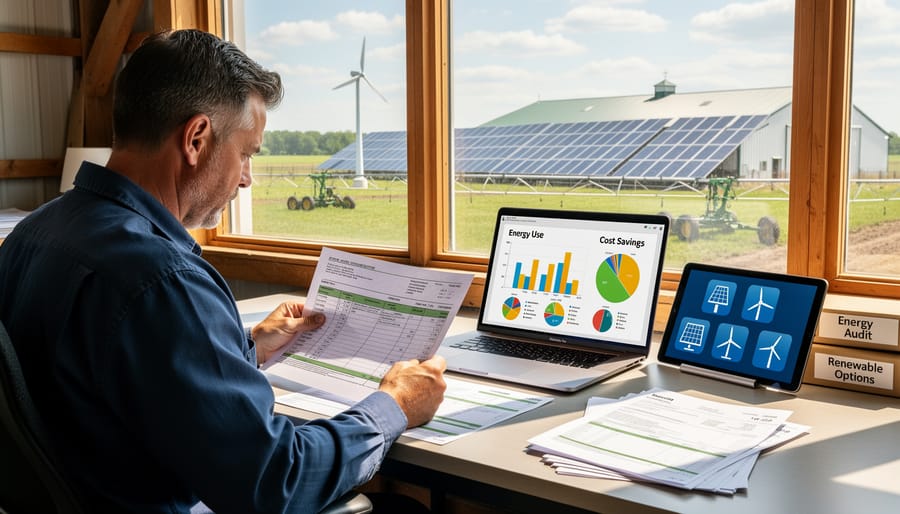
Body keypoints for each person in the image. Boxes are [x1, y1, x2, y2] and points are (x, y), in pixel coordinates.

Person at [0, 29, 445, 513]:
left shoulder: (35, 232)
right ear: (196, 138)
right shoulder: (162, 279)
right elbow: (278, 481)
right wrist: (394, 406)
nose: (248, 178)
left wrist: (245, 348)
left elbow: (110, 376)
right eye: (248, 153)